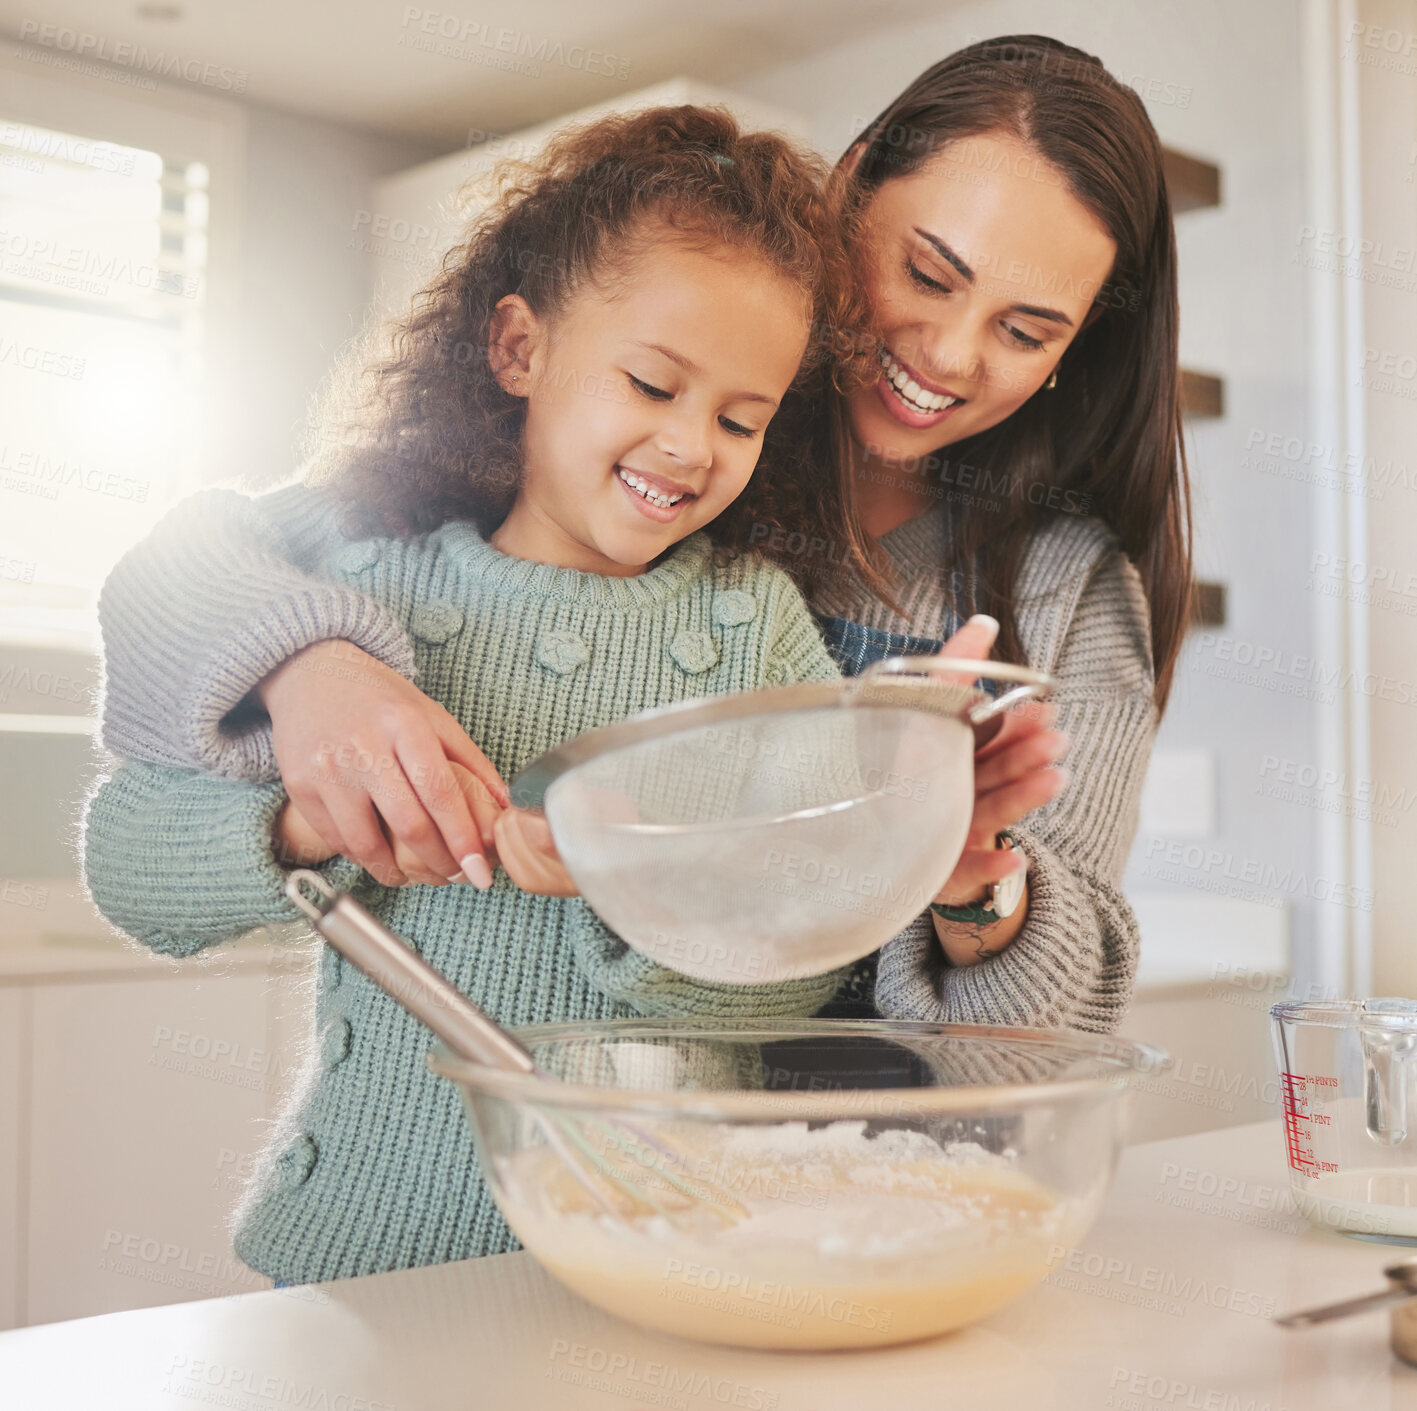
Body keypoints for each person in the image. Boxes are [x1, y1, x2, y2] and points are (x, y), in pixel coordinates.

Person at [92, 35, 1188, 1035]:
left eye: (1023, 330)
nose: (949, 354)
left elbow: (1043, 1041)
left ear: (1071, 353)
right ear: (847, 190)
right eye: (925, 272)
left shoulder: (1057, 588)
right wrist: (313, 665)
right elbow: (181, 568)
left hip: (862, 1184)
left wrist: (960, 880)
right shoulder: (564, 464)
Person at [82, 105, 913, 1286]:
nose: (691, 445)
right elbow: (130, 861)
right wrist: (298, 817)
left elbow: (813, 937)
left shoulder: (753, 624)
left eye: (741, 417)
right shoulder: (371, 576)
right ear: (520, 348)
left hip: (662, 1254)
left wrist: (642, 887)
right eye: (653, 383)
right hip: (365, 1258)